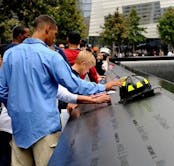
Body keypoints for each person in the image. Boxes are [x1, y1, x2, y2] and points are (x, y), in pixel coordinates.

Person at [0, 15, 121, 166]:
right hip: (44, 129)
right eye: (55, 34)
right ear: (47, 29)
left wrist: (15, 112)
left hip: (18, 130)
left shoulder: (10, 54)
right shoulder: (51, 56)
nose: (55, 39)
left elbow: (2, 91)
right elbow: (74, 85)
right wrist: (104, 87)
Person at [0, 25, 30, 166]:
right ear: (19, 35)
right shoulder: (16, 52)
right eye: (27, 35)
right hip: (12, 120)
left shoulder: (6, 50)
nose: (29, 38)